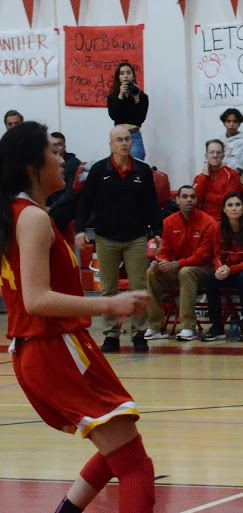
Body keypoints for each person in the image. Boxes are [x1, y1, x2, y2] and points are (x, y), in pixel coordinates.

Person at [1, 121, 168, 513]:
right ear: (34, 165)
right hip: (55, 347)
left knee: (120, 446)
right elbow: (36, 299)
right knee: (135, 464)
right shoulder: (31, 218)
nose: (62, 160)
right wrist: (109, 304)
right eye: (54, 153)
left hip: (39, 352)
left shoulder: (19, 215)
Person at [75, 125, 162, 354]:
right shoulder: (98, 170)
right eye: (119, 140)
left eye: (127, 139)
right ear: (111, 144)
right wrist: (80, 229)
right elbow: (85, 202)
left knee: (138, 287)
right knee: (108, 289)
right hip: (106, 238)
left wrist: (158, 230)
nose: (124, 143)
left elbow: (152, 204)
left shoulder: (142, 170)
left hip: (136, 237)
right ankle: (111, 335)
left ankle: (139, 334)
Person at [144, 185, 216, 342]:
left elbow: (202, 256)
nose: (189, 200)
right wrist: (161, 262)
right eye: (185, 196)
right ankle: (155, 325)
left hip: (204, 271)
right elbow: (164, 250)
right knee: (152, 272)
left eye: (192, 196)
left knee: (186, 272)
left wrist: (175, 264)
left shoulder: (209, 222)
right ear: (177, 200)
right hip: (178, 267)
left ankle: (188, 327)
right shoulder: (169, 222)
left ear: (197, 200)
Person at [201, 193, 243, 342]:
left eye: (237, 205)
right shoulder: (217, 227)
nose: (234, 208)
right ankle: (217, 326)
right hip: (232, 271)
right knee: (211, 280)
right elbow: (216, 255)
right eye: (230, 205)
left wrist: (230, 270)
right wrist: (220, 269)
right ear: (224, 210)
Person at [107, 62, 149, 161]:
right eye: (122, 73)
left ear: (133, 76)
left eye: (128, 73)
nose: (125, 76)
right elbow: (114, 115)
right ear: (118, 78)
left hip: (134, 137)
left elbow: (140, 119)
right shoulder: (112, 97)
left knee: (137, 169)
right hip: (118, 137)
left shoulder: (142, 97)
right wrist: (120, 96)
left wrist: (136, 99)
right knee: (117, 170)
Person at [193, 139, 242, 222]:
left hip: (225, 221)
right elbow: (195, 201)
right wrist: (204, 177)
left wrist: (206, 195)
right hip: (204, 221)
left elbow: (229, 201)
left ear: (223, 156)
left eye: (218, 152)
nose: (215, 155)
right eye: (211, 152)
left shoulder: (232, 175)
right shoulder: (199, 178)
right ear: (206, 156)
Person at [46, 132, 82, 233]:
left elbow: (71, 193)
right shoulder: (48, 163)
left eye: (59, 144)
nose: (57, 148)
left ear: (65, 146)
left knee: (50, 218)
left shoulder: (74, 163)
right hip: (52, 202)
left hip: (68, 204)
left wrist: (51, 208)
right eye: (54, 145)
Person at [220, 108, 243, 180]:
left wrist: (220, 173)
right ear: (224, 123)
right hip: (221, 175)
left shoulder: (242, 142)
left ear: (239, 124)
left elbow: (236, 165)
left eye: (235, 121)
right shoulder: (220, 140)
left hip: (238, 178)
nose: (232, 124)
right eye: (228, 121)